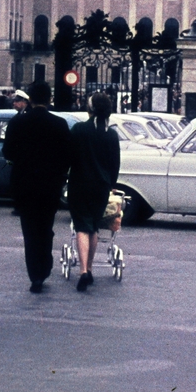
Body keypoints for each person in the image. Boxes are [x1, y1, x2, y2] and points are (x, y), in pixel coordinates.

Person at [2, 80, 73, 292]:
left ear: (30, 99)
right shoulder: (59, 124)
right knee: (45, 227)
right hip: (50, 185)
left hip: (24, 184)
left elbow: (8, 152)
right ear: (49, 99)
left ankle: (35, 274)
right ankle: (44, 265)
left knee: (29, 230)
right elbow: (67, 156)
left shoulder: (18, 123)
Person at [66, 92, 122, 292]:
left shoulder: (79, 129)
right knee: (94, 227)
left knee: (81, 225)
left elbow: (69, 157)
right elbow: (115, 164)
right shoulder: (111, 134)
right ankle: (90, 267)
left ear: (89, 109)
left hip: (79, 184)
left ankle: (82, 270)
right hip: (101, 186)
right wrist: (111, 183)